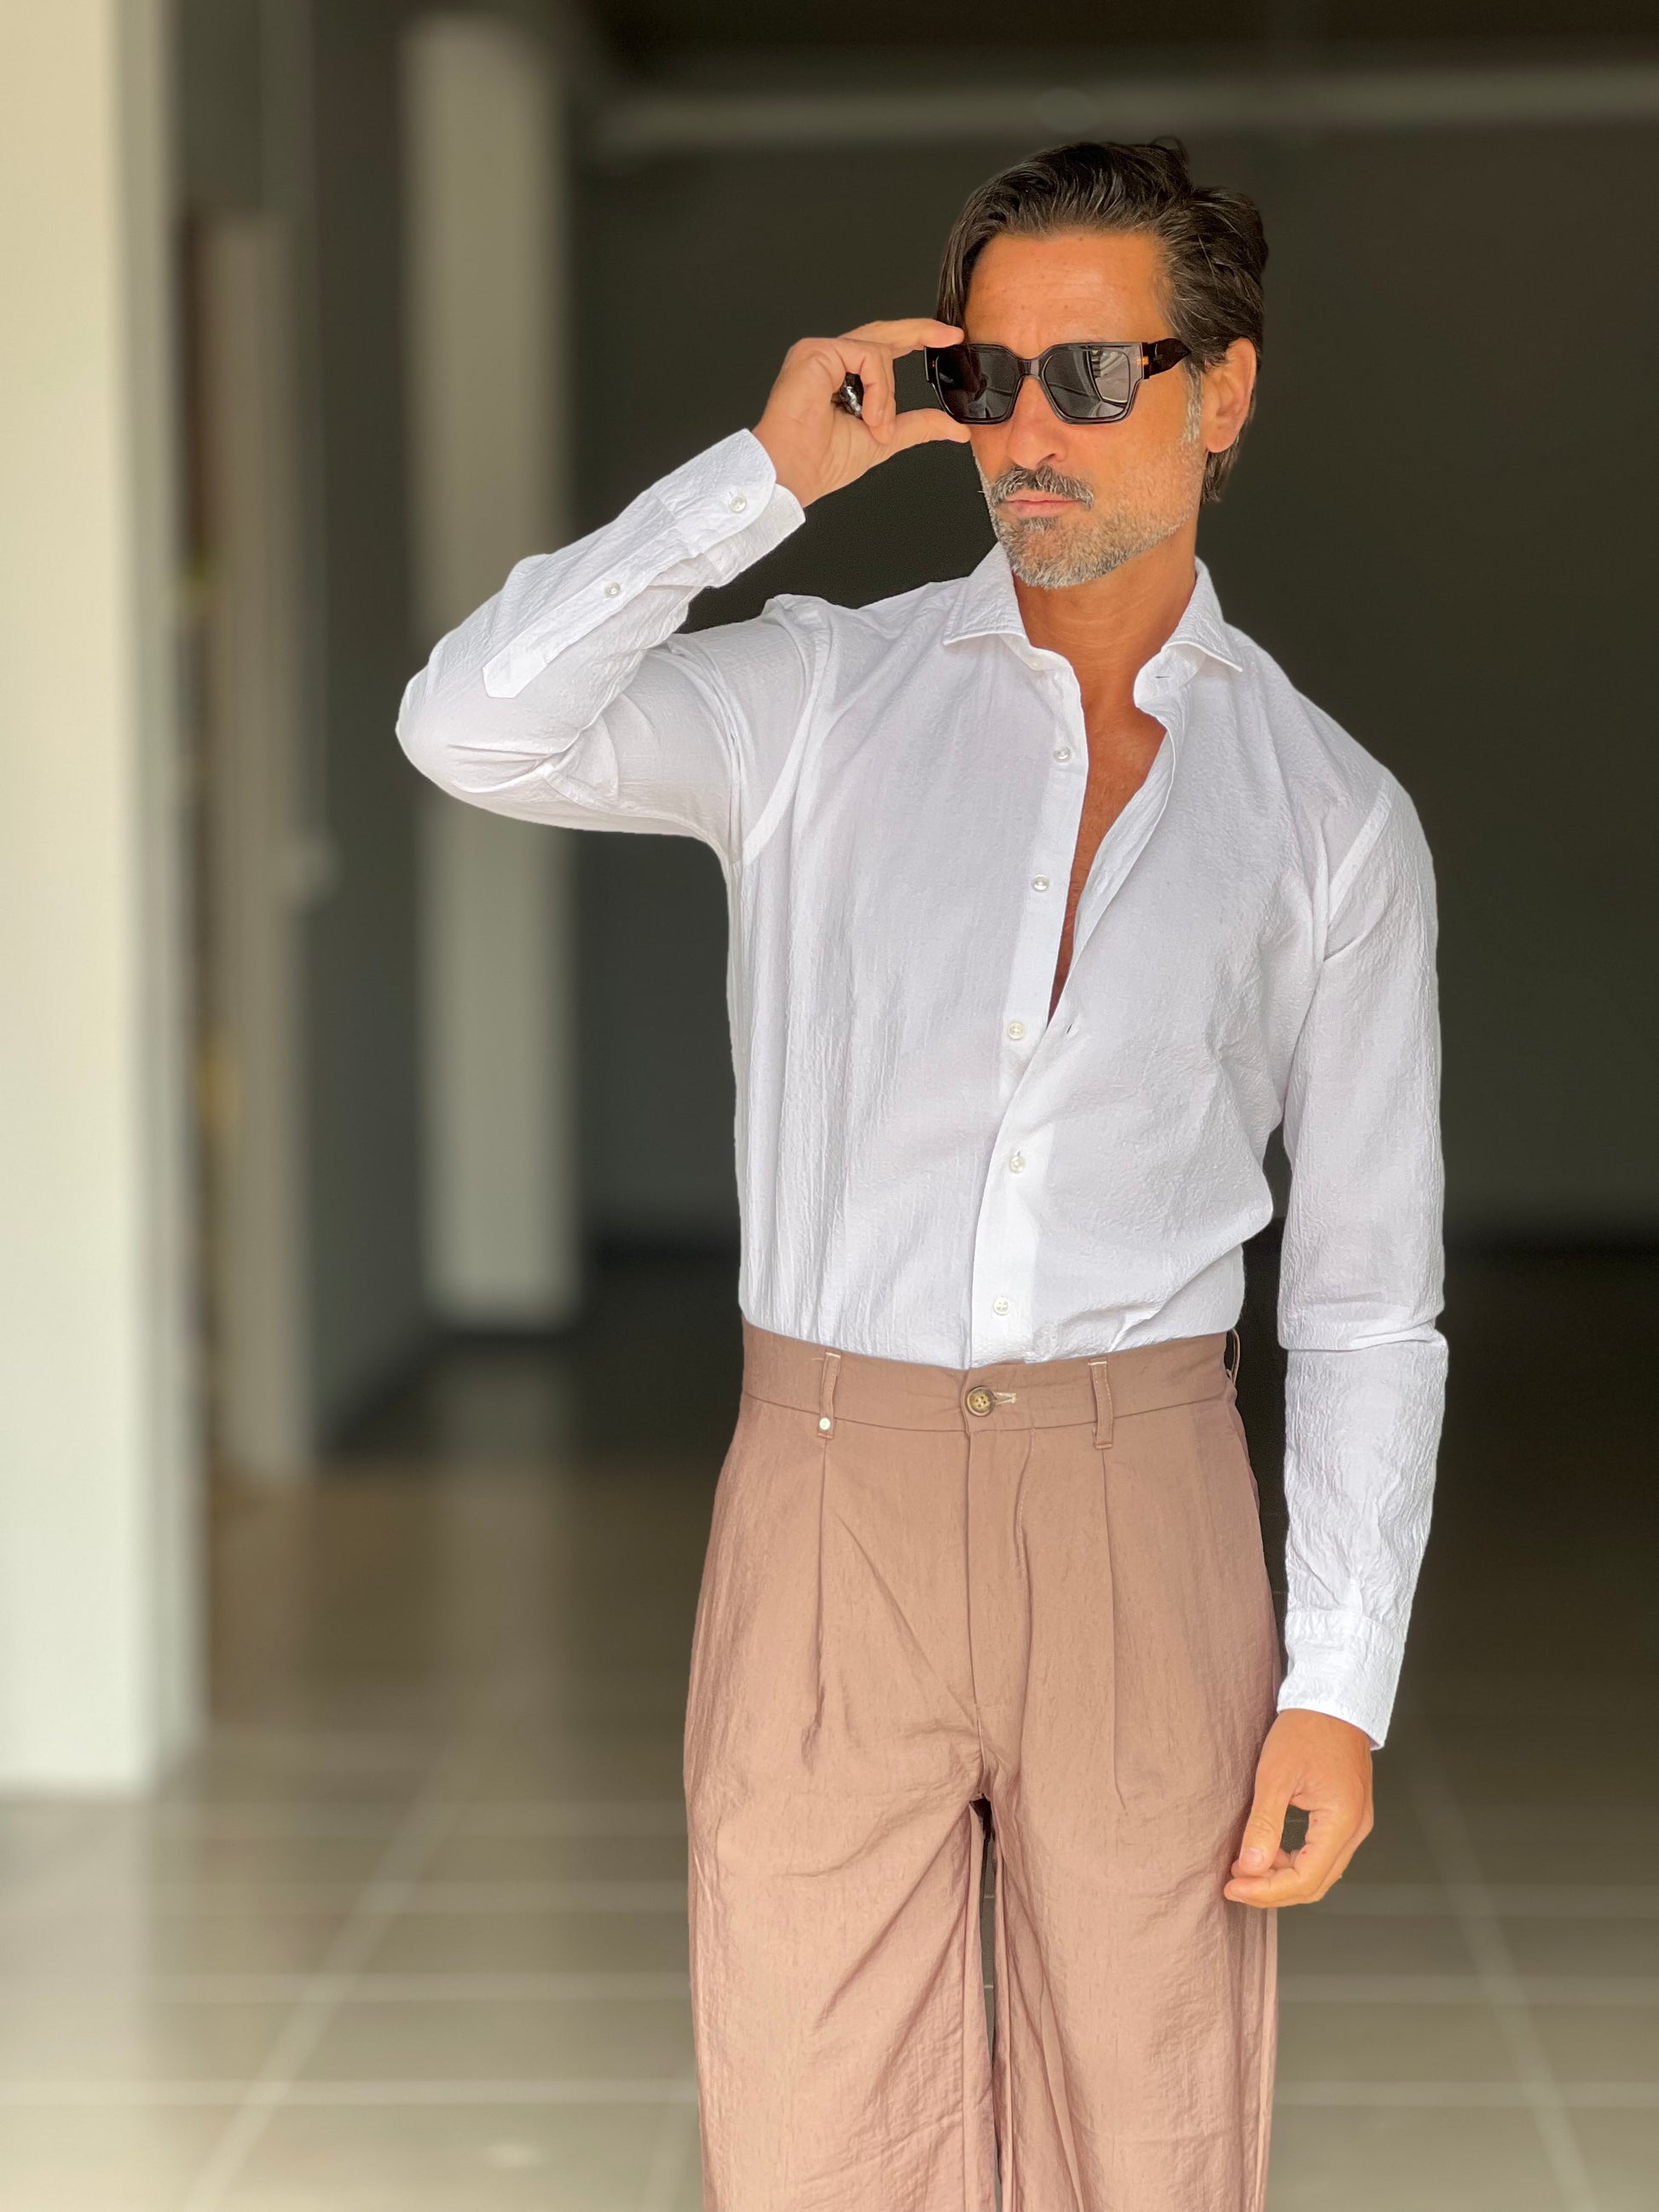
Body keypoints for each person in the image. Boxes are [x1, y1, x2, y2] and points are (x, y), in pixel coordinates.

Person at [399, 138, 1445, 2212]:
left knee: (1147, 2132)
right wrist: (760, 478)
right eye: (989, 375)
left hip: (1140, 1514)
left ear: (1223, 391)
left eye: (1094, 374)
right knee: (810, 2127)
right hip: (826, 1502)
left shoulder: (1329, 815)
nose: (1027, 432)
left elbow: (1360, 1295)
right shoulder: (819, 696)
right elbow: (471, 724)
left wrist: (1338, 1682)